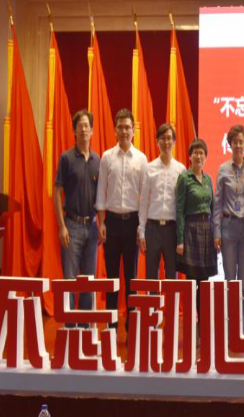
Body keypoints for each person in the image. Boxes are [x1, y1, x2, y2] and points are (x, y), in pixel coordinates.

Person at [95, 108, 148, 331]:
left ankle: (132, 323)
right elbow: (101, 192)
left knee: (131, 276)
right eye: (121, 127)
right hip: (112, 223)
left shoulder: (141, 159)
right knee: (112, 276)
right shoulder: (107, 157)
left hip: (132, 222)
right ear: (115, 130)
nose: (125, 131)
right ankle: (111, 323)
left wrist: (141, 228)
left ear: (133, 131)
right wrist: (101, 222)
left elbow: (144, 197)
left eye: (128, 127)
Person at [54, 109, 100, 321]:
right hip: (71, 226)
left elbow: (100, 196)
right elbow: (57, 192)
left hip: (92, 226)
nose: (84, 129)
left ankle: (85, 327)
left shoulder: (97, 160)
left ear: (92, 131)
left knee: (89, 281)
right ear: (74, 131)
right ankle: (71, 327)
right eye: (80, 126)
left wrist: (101, 223)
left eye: (87, 126)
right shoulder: (66, 158)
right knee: (70, 280)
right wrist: (61, 226)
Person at [213, 124, 244, 329]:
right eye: (235, 142)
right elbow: (217, 204)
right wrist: (216, 232)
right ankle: (230, 326)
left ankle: (241, 327)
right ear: (230, 144)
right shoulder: (223, 169)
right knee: (231, 281)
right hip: (228, 227)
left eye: (241, 142)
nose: (238, 145)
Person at [175, 139, 218, 314]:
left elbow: (213, 208)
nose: (198, 156)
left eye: (201, 153)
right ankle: (190, 320)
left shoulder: (208, 179)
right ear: (190, 156)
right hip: (191, 231)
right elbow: (179, 210)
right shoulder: (184, 178)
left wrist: (215, 234)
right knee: (192, 281)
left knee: (204, 281)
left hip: (207, 231)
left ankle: (203, 321)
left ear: (205, 157)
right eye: (195, 153)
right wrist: (180, 240)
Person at [138, 124, 186, 280]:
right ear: (157, 142)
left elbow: (182, 205)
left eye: (169, 138)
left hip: (172, 229)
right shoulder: (149, 168)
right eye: (163, 139)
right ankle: (152, 299)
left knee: (172, 275)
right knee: (151, 275)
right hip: (152, 228)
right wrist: (141, 231)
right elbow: (144, 202)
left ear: (174, 142)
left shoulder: (181, 170)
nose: (166, 142)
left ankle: (171, 298)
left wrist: (181, 236)